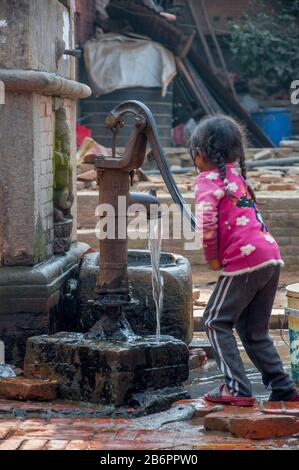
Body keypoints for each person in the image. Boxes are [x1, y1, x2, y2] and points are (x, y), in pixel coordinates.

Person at [191, 114, 299, 405]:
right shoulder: (235, 177)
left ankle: (237, 388)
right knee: (253, 330)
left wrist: (212, 260)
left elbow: (207, 222)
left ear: (200, 154)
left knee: (214, 320)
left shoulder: (207, 181)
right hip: (270, 258)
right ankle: (283, 387)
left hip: (244, 262)